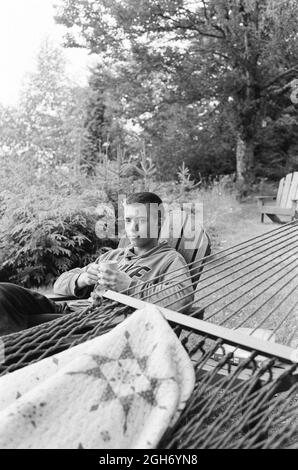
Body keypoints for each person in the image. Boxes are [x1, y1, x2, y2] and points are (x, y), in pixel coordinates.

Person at [0, 192, 194, 336]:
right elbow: (60, 284)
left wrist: (129, 285)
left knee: (26, 325)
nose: (132, 228)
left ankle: (11, 355)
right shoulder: (114, 256)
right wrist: (83, 279)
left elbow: (182, 299)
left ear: (159, 223)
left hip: (103, 324)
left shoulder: (170, 260)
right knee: (3, 292)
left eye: (141, 221)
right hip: (74, 311)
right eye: (128, 220)